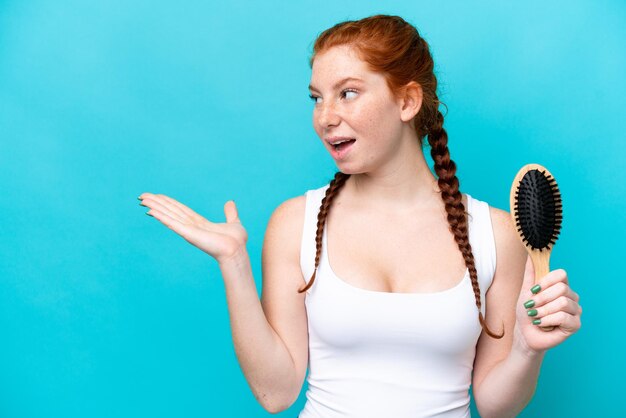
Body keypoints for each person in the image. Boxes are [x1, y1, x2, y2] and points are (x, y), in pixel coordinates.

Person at [137, 14, 582, 418]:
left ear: (407, 102)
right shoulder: (296, 223)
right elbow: (276, 393)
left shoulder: (497, 233)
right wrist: (233, 263)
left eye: (348, 93)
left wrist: (526, 347)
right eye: (316, 98)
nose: (325, 117)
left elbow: (495, 404)